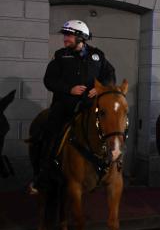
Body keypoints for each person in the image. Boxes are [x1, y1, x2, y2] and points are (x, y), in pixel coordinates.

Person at [31, 20, 116, 193]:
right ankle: (43, 174)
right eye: (65, 35)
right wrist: (69, 89)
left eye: (69, 35)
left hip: (91, 105)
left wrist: (99, 89)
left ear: (81, 37)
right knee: (51, 133)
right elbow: (49, 80)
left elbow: (110, 75)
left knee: (112, 128)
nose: (65, 39)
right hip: (65, 105)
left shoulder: (97, 55)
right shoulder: (60, 55)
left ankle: (109, 169)